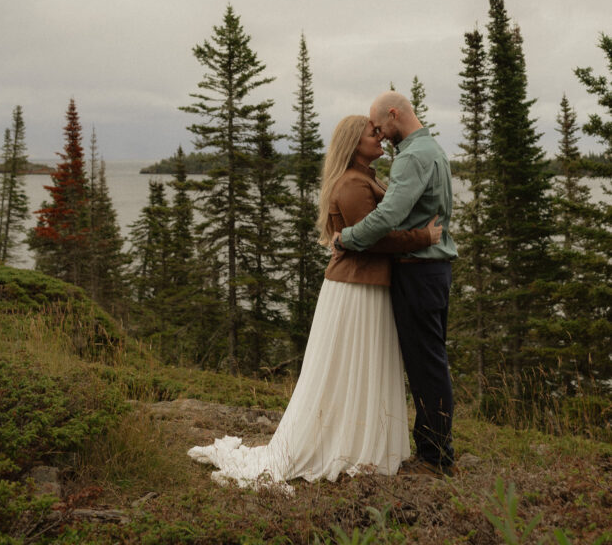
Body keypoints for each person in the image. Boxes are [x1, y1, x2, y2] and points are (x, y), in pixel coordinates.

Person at [188, 114, 442, 490]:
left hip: (366, 286)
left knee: (359, 368)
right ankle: (344, 446)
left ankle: (357, 443)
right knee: (350, 368)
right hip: (357, 290)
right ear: (354, 142)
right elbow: (373, 239)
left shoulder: (364, 178)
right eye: (373, 133)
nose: (381, 138)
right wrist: (422, 238)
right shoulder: (354, 184)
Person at [333, 91, 457, 477]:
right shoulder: (431, 150)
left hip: (419, 272)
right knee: (428, 361)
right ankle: (432, 449)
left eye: (380, 126)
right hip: (430, 272)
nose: (381, 135)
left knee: (427, 365)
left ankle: (435, 457)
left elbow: (388, 217)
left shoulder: (413, 157)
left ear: (393, 114)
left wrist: (346, 240)